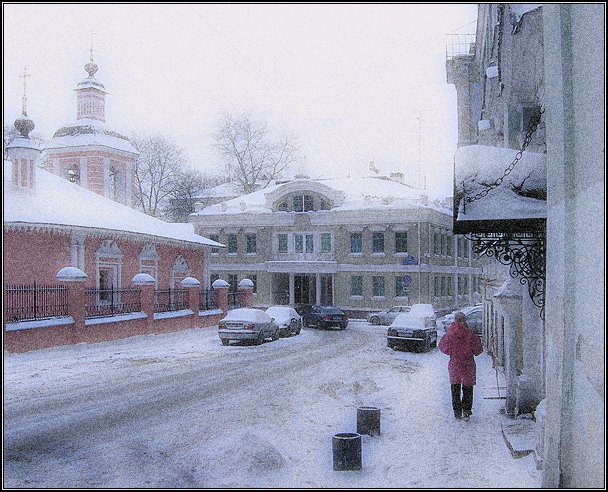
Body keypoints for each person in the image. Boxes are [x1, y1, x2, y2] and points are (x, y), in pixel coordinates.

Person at [438, 311, 483, 421]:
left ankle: (457, 412)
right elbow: (478, 350)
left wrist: (451, 352)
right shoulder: (470, 334)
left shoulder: (449, 335)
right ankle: (467, 411)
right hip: (468, 364)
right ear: (464, 320)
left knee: (455, 388)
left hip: (455, 364)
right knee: (468, 388)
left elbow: (443, 347)